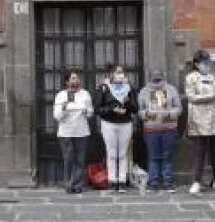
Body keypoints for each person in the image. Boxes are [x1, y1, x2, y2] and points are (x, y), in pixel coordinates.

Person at [185, 49, 215, 195]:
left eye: (208, 62)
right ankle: (197, 181)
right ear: (197, 64)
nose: (207, 65)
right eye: (204, 62)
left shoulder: (214, 77)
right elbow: (191, 97)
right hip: (199, 119)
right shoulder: (191, 78)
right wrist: (212, 95)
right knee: (199, 151)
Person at [138, 68, 182, 193]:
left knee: (167, 157)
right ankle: (153, 182)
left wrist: (168, 114)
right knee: (153, 157)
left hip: (169, 129)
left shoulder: (171, 90)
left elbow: (179, 108)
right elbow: (139, 111)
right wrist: (146, 114)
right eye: (154, 77)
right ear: (149, 77)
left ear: (163, 76)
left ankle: (168, 182)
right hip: (151, 130)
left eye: (159, 77)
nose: (157, 80)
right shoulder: (144, 91)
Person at [96, 65, 138, 193]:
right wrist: (111, 109)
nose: (121, 75)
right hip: (109, 123)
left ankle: (122, 180)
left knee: (122, 153)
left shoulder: (129, 88)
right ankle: (112, 180)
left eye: (122, 72)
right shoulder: (104, 88)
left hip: (125, 123)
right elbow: (98, 109)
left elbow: (135, 109)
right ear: (111, 74)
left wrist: (128, 102)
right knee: (112, 152)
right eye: (118, 72)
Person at [53, 71, 94, 193]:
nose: (75, 81)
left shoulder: (85, 94)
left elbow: (91, 113)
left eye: (77, 79)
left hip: (81, 132)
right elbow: (57, 116)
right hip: (65, 133)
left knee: (80, 160)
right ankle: (68, 184)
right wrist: (64, 108)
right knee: (68, 158)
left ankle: (77, 185)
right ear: (67, 82)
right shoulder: (61, 95)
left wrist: (86, 111)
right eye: (72, 79)